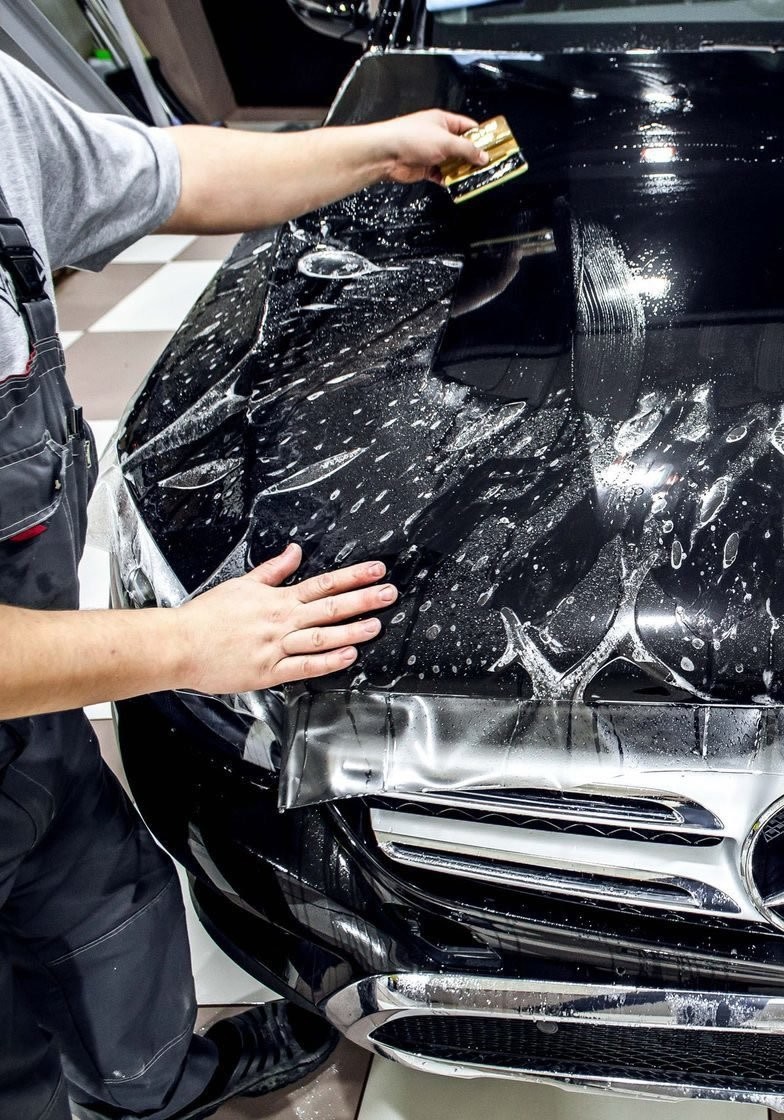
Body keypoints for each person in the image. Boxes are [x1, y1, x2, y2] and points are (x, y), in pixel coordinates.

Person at [0, 53, 488, 1120]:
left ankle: (157, 1088)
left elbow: (168, 172)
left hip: (29, 713)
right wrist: (181, 645)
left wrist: (378, 148)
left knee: (98, 896)